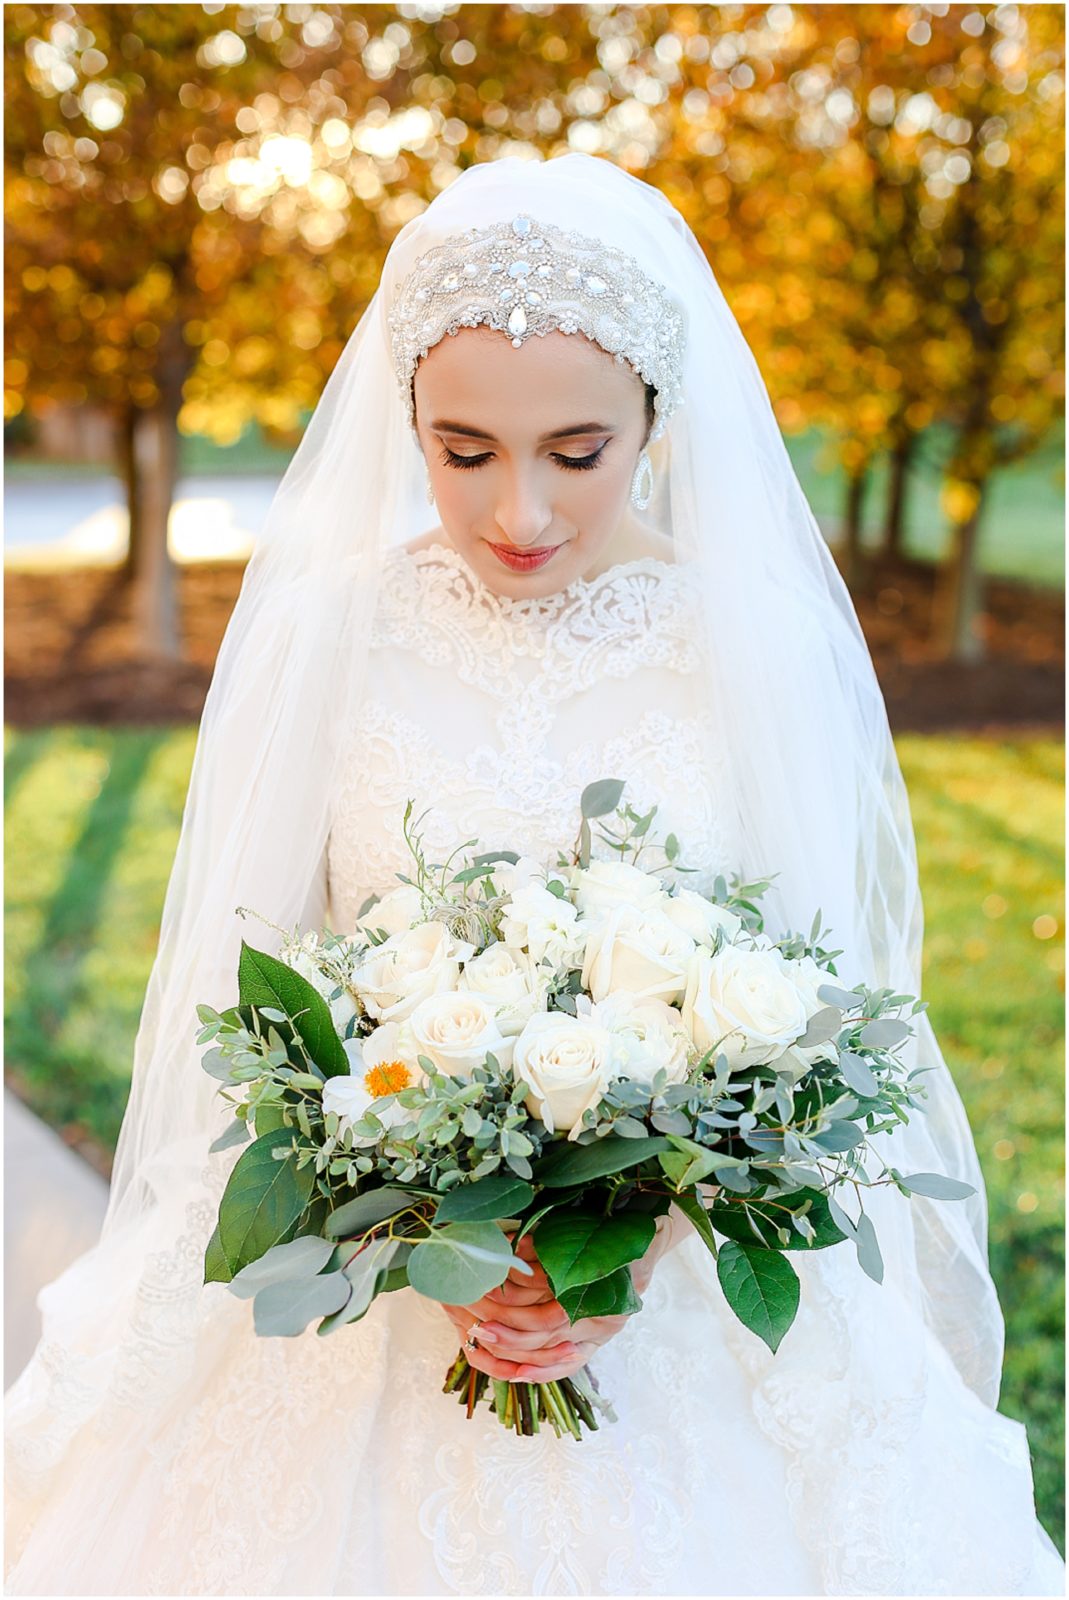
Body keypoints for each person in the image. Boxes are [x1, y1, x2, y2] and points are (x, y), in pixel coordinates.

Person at [4, 153, 1063, 1597]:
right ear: (408, 426)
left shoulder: (752, 652)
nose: (516, 512)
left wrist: (628, 1236)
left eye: (576, 451)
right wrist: (426, 1223)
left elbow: (816, 1016)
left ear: (653, 417)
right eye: (462, 450)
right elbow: (261, 1003)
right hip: (368, 1274)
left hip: (681, 1279)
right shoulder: (338, 634)